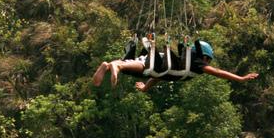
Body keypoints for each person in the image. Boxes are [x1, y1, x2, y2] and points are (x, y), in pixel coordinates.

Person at [92, 40, 259, 92]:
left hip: (156, 66)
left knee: (142, 69)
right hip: (156, 62)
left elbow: (159, 77)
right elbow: (218, 72)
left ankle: (110, 66)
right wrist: (240, 78)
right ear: (205, 57)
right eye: (208, 60)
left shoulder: (179, 66)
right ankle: (116, 66)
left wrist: (145, 88)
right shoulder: (197, 64)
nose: (208, 64)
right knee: (145, 67)